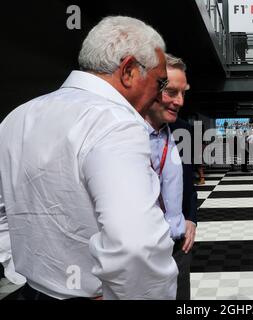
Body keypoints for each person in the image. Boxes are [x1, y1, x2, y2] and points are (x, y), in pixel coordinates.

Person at [0, 16, 178, 300]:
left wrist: (24, 271)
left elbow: (3, 215)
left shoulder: (17, 117)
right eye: (160, 83)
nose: (159, 97)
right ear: (129, 70)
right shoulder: (114, 122)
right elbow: (136, 246)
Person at [145, 53, 196, 300]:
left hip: (178, 250)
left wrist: (191, 219)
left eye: (183, 93)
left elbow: (189, 184)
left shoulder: (182, 129)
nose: (180, 101)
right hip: (142, 254)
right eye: (172, 92)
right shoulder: (123, 132)